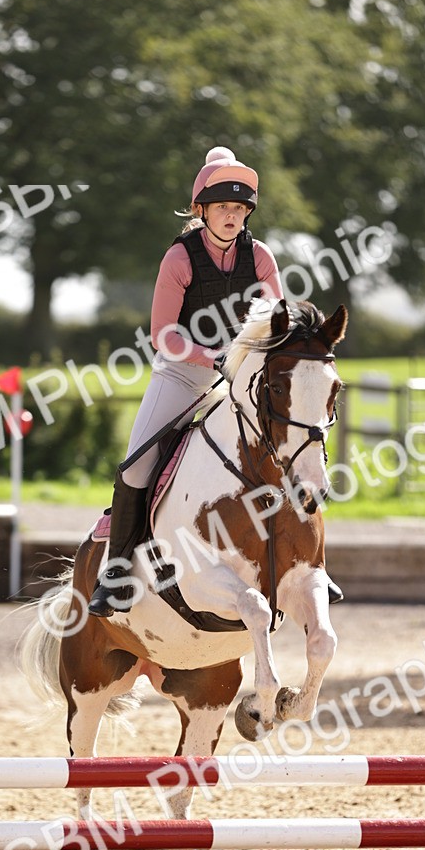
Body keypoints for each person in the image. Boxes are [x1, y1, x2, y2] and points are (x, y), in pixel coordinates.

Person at [87, 145, 342, 618]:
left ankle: (307, 565)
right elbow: (164, 334)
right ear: (200, 210)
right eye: (223, 207)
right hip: (183, 375)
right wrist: (214, 356)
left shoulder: (260, 256)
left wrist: (255, 366)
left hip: (244, 381)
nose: (232, 216)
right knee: (136, 469)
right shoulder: (179, 259)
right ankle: (118, 571)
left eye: (240, 208)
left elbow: (278, 324)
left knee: (290, 448)